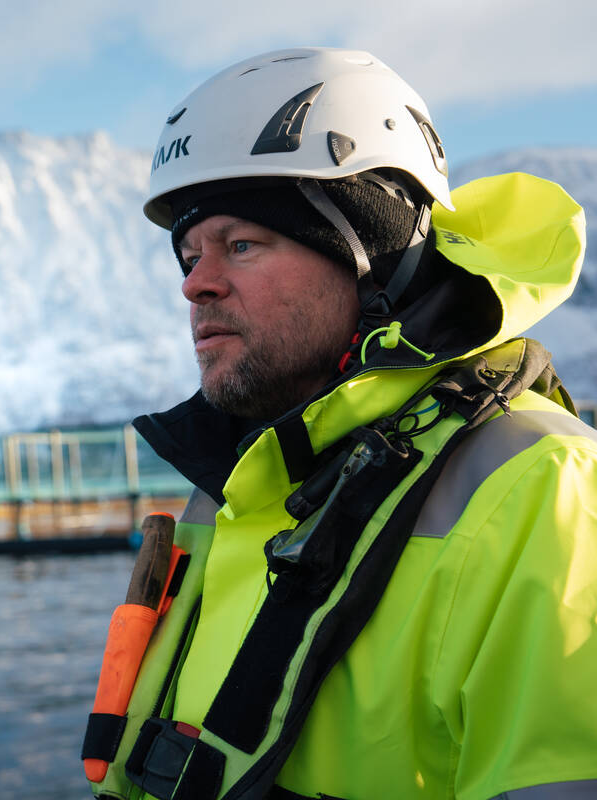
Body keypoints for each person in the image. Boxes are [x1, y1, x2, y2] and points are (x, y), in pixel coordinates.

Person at [81, 47, 597, 800]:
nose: (196, 284)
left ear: (373, 258)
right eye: (187, 254)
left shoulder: (543, 490)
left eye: (241, 243)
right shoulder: (235, 488)